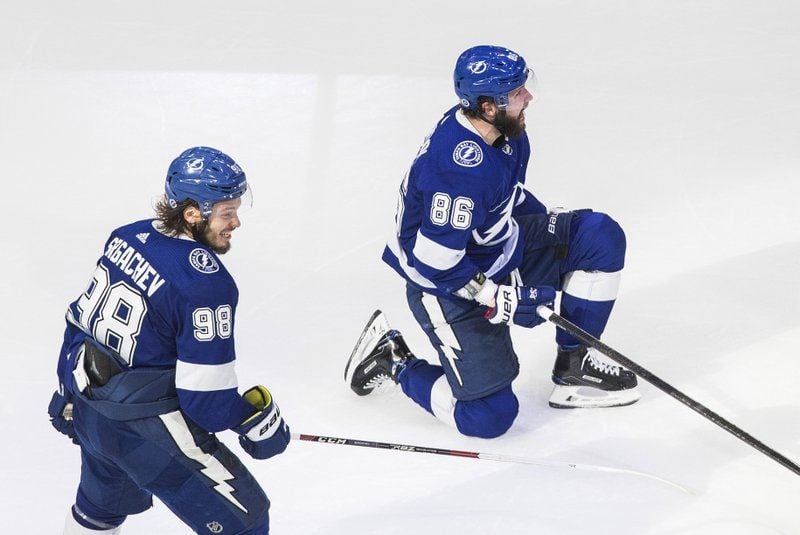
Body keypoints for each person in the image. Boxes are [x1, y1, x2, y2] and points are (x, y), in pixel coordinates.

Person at [345, 45, 640, 439]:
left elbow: (506, 194)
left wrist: (550, 228)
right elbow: (435, 261)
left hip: (498, 246)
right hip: (445, 287)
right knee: (489, 417)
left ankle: (573, 364)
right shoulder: (458, 172)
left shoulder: (505, 130)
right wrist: (495, 296)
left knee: (598, 236)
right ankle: (392, 359)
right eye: (518, 92)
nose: (528, 97)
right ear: (488, 107)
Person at [47, 147, 290, 534]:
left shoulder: (126, 237)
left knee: (98, 513)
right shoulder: (205, 284)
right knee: (246, 523)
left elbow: (79, 322)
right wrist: (259, 423)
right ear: (194, 213)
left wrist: (65, 391)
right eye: (227, 212)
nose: (236, 222)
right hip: (147, 432)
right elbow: (206, 403)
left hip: (91, 410)